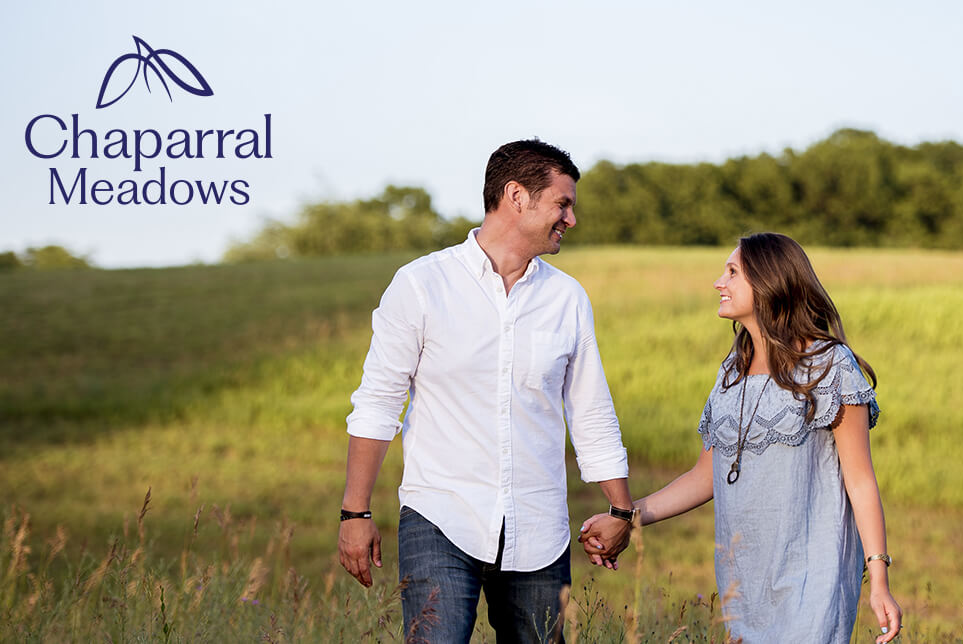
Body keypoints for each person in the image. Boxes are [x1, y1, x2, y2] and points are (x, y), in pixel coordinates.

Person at [338, 139, 637, 643]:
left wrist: (621, 511)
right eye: (562, 204)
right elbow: (378, 403)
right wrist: (355, 512)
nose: (571, 218)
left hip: (538, 530)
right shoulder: (420, 285)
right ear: (517, 196)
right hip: (440, 516)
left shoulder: (567, 299)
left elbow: (591, 412)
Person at [580, 232, 903, 643]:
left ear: (769, 284)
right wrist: (626, 516)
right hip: (745, 582)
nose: (719, 282)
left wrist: (878, 579)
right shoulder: (732, 371)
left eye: (732, 272)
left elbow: (860, 480)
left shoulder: (829, 366)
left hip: (813, 576)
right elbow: (706, 475)